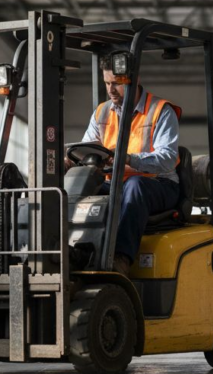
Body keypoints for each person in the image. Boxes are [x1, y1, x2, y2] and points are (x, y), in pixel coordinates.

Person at [67, 55, 182, 277]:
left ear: (134, 79)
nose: (111, 89)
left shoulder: (160, 110)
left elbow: (167, 157)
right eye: (108, 83)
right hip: (115, 183)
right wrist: (70, 161)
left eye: (117, 83)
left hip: (158, 184)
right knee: (77, 190)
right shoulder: (102, 112)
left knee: (135, 186)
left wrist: (127, 158)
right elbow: (90, 146)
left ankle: (121, 258)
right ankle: (75, 251)